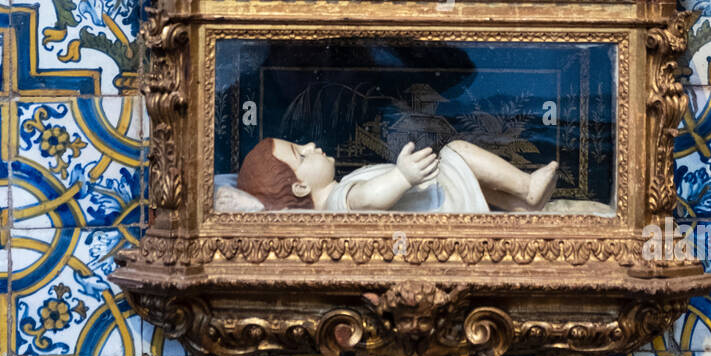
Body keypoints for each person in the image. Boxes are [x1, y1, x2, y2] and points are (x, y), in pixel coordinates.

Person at [219, 136, 559, 214]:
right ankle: (527, 189)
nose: (311, 144)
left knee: (474, 182)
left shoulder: (338, 193)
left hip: (438, 194)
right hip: (442, 203)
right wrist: (402, 176)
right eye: (301, 154)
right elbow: (370, 198)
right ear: (300, 186)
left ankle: (521, 207)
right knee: (457, 152)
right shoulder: (339, 201)